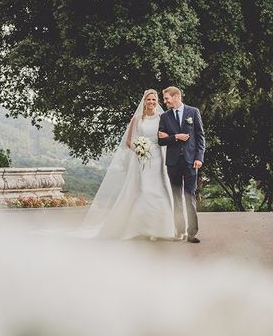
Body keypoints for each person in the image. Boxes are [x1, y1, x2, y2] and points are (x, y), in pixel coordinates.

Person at [82, 89, 175, 240]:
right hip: (142, 159)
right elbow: (128, 141)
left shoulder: (162, 117)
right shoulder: (137, 118)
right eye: (148, 99)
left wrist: (167, 136)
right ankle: (143, 228)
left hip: (158, 158)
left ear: (157, 102)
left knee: (159, 190)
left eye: (154, 100)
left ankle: (160, 230)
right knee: (144, 190)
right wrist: (139, 150)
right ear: (144, 101)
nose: (151, 102)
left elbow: (168, 136)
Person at [158, 87, 205, 243]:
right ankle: (180, 231)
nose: (164, 101)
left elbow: (200, 137)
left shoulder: (193, 112)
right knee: (177, 198)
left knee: (189, 196)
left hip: (191, 161)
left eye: (166, 98)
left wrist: (199, 158)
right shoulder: (164, 117)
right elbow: (161, 140)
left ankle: (192, 233)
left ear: (176, 96)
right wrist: (175, 137)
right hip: (172, 163)